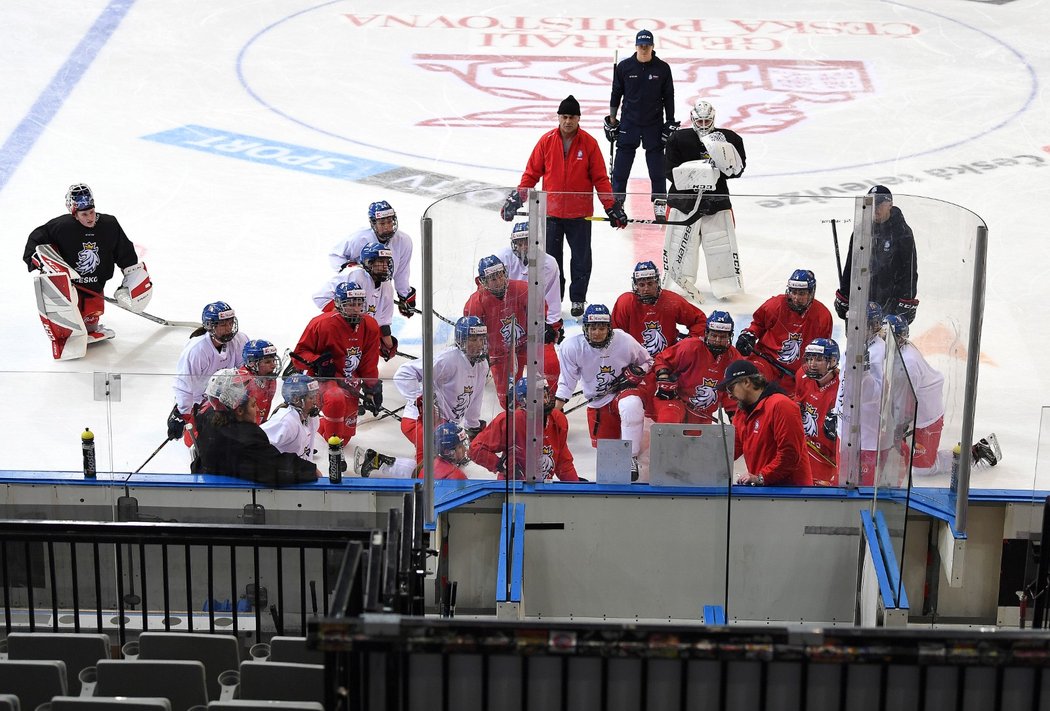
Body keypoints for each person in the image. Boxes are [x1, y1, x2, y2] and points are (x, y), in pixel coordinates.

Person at [500, 94, 628, 318]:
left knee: (581, 259)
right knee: (551, 261)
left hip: (580, 215)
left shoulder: (589, 143)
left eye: (572, 117)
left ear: (579, 119)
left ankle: (578, 298)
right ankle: (553, 299)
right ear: (559, 117)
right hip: (551, 214)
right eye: (564, 116)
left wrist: (611, 206)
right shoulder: (546, 141)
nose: (568, 121)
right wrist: (517, 199)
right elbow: (531, 174)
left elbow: (600, 178)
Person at [23, 183, 154, 359]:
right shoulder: (61, 227)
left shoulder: (109, 224)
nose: (90, 217)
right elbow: (36, 241)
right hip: (72, 287)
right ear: (74, 214)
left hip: (96, 288)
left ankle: (90, 323)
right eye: (84, 214)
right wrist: (36, 259)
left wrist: (132, 276)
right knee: (74, 312)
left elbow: (124, 251)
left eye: (92, 212)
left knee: (91, 317)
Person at [555, 304, 653, 478]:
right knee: (609, 459)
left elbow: (648, 362)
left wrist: (638, 372)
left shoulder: (624, 340)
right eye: (593, 328)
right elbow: (567, 380)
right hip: (598, 401)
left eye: (602, 327)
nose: (597, 332)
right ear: (585, 328)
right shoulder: (571, 347)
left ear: (609, 328)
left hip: (624, 391)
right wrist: (556, 406)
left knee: (631, 405)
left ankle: (631, 457)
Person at [663, 101, 747, 300]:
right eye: (699, 120)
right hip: (684, 205)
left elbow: (738, 169)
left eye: (706, 120)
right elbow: (669, 171)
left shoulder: (730, 139)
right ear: (692, 119)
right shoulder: (677, 139)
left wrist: (726, 164)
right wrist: (699, 174)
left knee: (721, 246)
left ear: (713, 118)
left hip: (716, 204)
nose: (702, 124)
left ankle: (726, 285)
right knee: (680, 246)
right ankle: (677, 284)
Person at [291, 281, 382, 447]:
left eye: (359, 304)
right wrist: (317, 362)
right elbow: (298, 356)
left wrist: (371, 387)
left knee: (345, 436)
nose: (356, 309)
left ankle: (319, 427)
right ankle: (334, 450)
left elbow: (369, 361)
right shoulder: (321, 324)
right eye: (351, 304)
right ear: (339, 305)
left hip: (350, 381)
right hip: (324, 379)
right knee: (335, 399)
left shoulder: (370, 325)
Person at [191, 369, 320, 485]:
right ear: (239, 411)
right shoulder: (245, 439)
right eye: (253, 405)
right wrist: (310, 470)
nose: (257, 409)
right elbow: (274, 468)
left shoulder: (210, 419)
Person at [463, 255, 558, 408]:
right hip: (500, 353)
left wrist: (543, 325)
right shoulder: (475, 303)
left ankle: (551, 402)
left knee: (550, 363)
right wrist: (482, 353)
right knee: (508, 399)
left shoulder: (523, 289)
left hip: (528, 342)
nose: (499, 281)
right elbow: (473, 336)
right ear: (484, 281)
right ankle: (520, 417)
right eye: (493, 278)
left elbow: (540, 311)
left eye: (500, 275)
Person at [393, 316, 489, 464]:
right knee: (431, 467)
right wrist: (422, 400)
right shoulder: (448, 359)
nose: (479, 344)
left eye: (481, 339)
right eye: (473, 339)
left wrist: (473, 425)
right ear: (461, 340)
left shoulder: (482, 365)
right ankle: (383, 465)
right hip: (418, 420)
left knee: (451, 461)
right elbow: (404, 373)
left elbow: (476, 397)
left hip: (445, 426)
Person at [735, 269, 833, 397]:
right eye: (794, 292)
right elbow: (757, 324)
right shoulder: (775, 305)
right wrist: (749, 335)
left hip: (796, 374)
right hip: (766, 362)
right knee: (750, 382)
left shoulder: (822, 316)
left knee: (788, 407)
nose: (796, 298)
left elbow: (824, 351)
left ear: (811, 293)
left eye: (802, 293)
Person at [605, 29, 677, 202]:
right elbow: (616, 93)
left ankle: (659, 201)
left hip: (654, 124)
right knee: (621, 167)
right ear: (636, 46)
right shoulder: (624, 67)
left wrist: (670, 121)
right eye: (641, 45)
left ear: (652, 46)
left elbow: (669, 96)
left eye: (647, 45)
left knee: (657, 168)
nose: (644, 49)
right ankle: (617, 201)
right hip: (629, 123)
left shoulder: (663, 68)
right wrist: (613, 120)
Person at [718, 359, 812, 486]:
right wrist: (704, 462)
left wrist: (762, 477)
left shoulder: (781, 405)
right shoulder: (742, 412)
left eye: (731, 388)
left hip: (791, 494)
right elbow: (732, 448)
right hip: (764, 489)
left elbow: (790, 454)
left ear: (746, 382)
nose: (729, 396)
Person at [835, 185, 919, 324]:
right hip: (863, 299)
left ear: (890, 205)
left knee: (885, 342)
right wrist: (844, 296)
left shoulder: (902, 232)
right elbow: (851, 266)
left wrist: (906, 301)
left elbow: (909, 271)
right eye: (872, 203)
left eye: (879, 204)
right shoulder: (861, 230)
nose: (875, 207)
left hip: (891, 302)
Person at [170, 302, 250, 447]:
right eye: (223, 324)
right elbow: (183, 385)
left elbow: (245, 372)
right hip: (199, 401)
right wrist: (184, 414)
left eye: (231, 323)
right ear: (210, 326)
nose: (229, 328)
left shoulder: (240, 340)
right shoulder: (196, 350)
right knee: (195, 442)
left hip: (228, 398)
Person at [470, 378, 579, 482]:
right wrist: (500, 465)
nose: (545, 401)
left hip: (543, 488)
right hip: (515, 488)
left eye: (545, 395)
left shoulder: (558, 419)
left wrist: (575, 489)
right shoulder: (510, 421)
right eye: (539, 398)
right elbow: (476, 449)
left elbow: (563, 463)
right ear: (524, 401)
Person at [497, 220, 564, 388]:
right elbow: (490, 293)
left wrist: (552, 326)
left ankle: (553, 405)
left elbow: (552, 297)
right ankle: (515, 408)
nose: (523, 247)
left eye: (526, 242)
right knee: (510, 378)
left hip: (536, 323)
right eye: (519, 243)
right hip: (508, 323)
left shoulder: (549, 263)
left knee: (551, 367)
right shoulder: (501, 259)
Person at [327, 200, 417, 318]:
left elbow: (402, 270)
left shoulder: (404, 241)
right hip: (359, 289)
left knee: (379, 323)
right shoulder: (360, 238)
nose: (387, 227)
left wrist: (404, 295)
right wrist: (349, 269)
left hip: (383, 288)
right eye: (382, 223)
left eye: (390, 222)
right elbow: (336, 255)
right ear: (373, 224)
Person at [651, 310, 741, 424]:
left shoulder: (734, 358)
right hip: (675, 401)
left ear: (730, 336)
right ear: (706, 333)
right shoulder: (689, 347)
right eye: (714, 335)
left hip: (703, 412)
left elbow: (734, 390)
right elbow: (661, 359)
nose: (717, 341)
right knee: (669, 421)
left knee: (695, 441)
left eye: (723, 337)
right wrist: (664, 377)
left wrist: (734, 414)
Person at [314, 242, 399, 360]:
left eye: (386, 262)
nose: (385, 266)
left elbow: (383, 320)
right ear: (369, 262)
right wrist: (344, 316)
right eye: (380, 262)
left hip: (361, 333)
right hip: (341, 330)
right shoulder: (354, 275)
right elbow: (320, 297)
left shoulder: (387, 286)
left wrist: (388, 344)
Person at [612, 260, 706, 357]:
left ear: (657, 283)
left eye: (650, 283)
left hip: (668, 358)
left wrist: (690, 342)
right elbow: (615, 335)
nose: (646, 289)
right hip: (635, 359)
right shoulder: (626, 302)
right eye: (641, 285)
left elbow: (700, 320)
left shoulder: (671, 301)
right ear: (636, 286)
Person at [794, 338, 842, 486]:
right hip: (805, 447)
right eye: (809, 358)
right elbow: (798, 401)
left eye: (819, 359)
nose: (812, 364)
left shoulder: (842, 387)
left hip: (828, 457)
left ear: (833, 361)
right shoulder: (802, 376)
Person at [354, 422, 470, 480]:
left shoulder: (432, 462)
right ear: (448, 451)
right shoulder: (455, 476)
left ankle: (379, 461)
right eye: (460, 446)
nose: (465, 449)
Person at [261, 374, 321, 462]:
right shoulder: (285, 421)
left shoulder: (311, 418)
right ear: (296, 399)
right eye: (311, 397)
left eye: (316, 396)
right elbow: (255, 442)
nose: (315, 401)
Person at [238, 339, 279, 425]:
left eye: (273, 360)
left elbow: (265, 410)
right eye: (267, 362)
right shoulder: (242, 381)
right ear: (252, 363)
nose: (273, 365)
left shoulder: (270, 380)